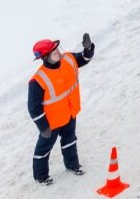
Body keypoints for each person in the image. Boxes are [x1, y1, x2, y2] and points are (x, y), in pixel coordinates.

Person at [29, 34, 94, 186]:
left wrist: (88, 48)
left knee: (70, 140)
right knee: (44, 149)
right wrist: (43, 126)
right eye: (54, 52)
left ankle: (73, 164)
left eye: (57, 49)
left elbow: (84, 59)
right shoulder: (37, 81)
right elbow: (34, 107)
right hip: (51, 122)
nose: (58, 53)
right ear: (45, 58)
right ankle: (41, 176)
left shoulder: (69, 59)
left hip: (70, 113)